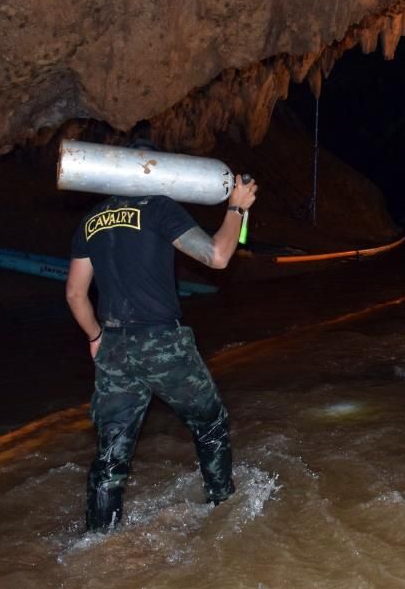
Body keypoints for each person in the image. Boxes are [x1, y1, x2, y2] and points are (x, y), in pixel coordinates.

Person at [65, 139, 258, 533]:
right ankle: (224, 511)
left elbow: (74, 293)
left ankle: (98, 540)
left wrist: (95, 337)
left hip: (114, 348)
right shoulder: (158, 207)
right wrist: (237, 208)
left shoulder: (91, 220)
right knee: (210, 423)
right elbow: (218, 256)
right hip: (161, 343)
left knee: (111, 454)